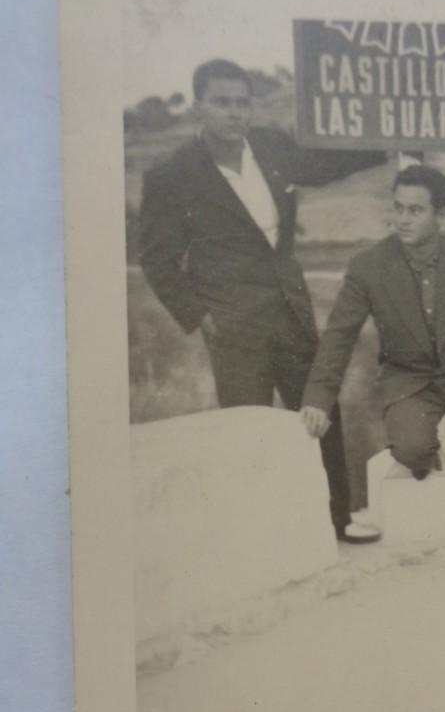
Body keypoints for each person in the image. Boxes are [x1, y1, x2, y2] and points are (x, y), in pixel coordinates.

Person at [139, 57, 379, 544]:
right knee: (247, 429)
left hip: (290, 309)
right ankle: (256, 539)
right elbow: (157, 260)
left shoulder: (271, 145)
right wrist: (201, 317)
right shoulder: (172, 175)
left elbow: (324, 166)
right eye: (222, 102)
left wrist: (388, 147)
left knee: (319, 408)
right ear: (199, 107)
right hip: (232, 326)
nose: (235, 112)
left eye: (242, 103)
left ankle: (338, 520)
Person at [300, 163, 445, 599]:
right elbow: (338, 336)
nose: (403, 219)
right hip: (407, 380)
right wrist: (318, 397)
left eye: (415, 211)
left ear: (441, 214)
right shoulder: (369, 266)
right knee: (412, 450)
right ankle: (421, 443)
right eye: (398, 209)